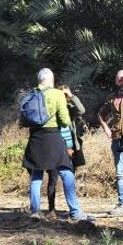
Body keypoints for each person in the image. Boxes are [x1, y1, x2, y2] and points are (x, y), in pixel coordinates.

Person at [23, 68, 90, 221]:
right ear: (51, 80)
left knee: (36, 174)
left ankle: (34, 211)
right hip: (53, 136)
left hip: (35, 137)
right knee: (66, 171)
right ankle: (75, 211)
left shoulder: (31, 94)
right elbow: (65, 120)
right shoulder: (57, 94)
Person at [46, 84, 86, 218]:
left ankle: (72, 209)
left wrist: (71, 96)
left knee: (69, 178)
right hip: (56, 148)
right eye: (61, 95)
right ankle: (51, 209)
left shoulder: (69, 109)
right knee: (53, 179)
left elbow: (82, 110)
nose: (63, 97)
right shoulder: (53, 109)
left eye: (64, 95)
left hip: (70, 149)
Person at [97, 70, 123, 216]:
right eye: (119, 79)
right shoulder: (112, 98)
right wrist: (105, 127)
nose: (122, 81)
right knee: (120, 172)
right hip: (117, 137)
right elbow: (101, 114)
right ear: (115, 81)